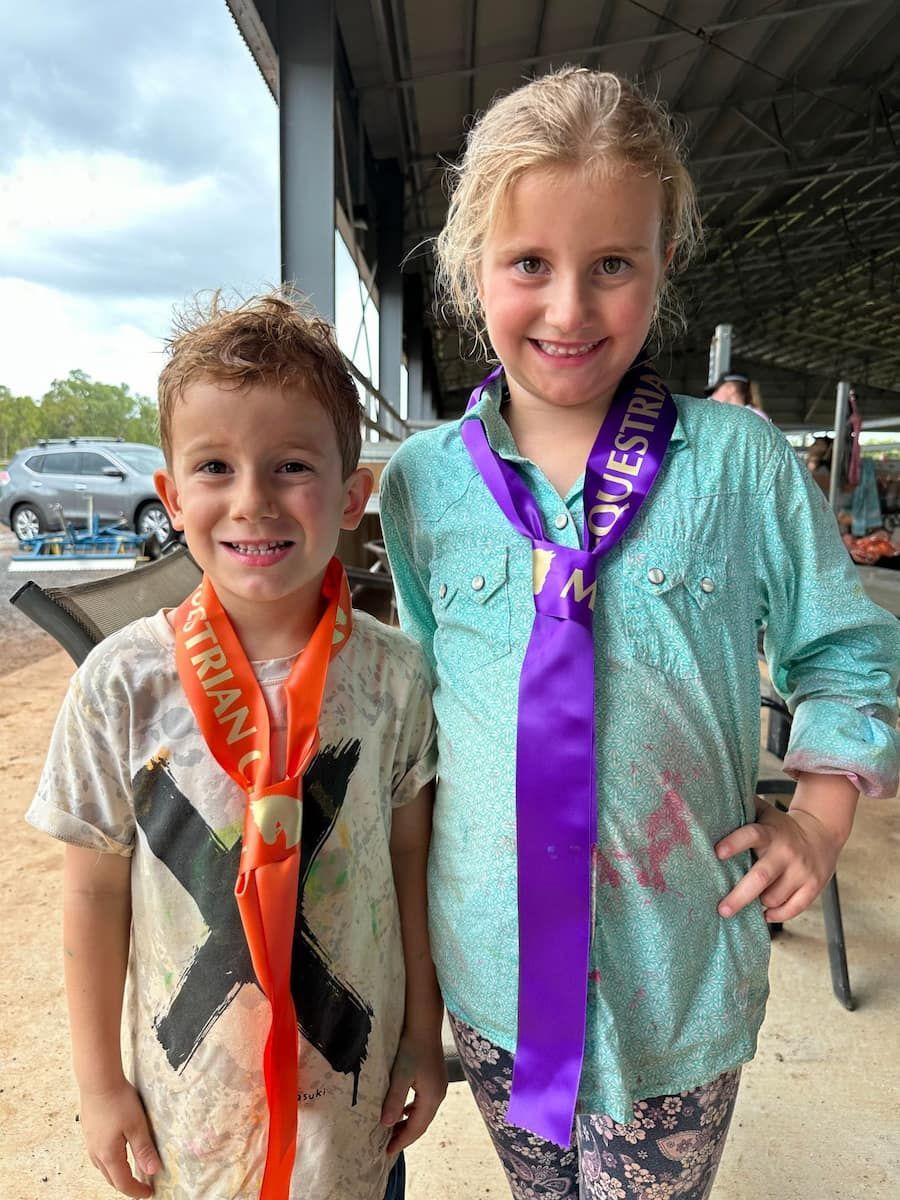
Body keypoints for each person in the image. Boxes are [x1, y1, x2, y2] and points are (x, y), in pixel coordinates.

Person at [379, 68, 900, 1199]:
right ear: (476, 273)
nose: (569, 310)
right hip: (493, 975)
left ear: (662, 267)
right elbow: (421, 704)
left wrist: (818, 817)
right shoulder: (421, 488)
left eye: (612, 264)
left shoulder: (741, 465)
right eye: (530, 265)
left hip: (675, 977)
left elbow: (845, 652)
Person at [26, 292, 446, 1200]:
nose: (252, 501)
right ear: (173, 497)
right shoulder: (120, 684)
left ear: (352, 495)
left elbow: (410, 863)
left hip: (355, 1109)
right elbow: (94, 895)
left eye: (292, 465)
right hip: (194, 1130)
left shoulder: (394, 679)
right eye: (215, 466)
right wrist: (101, 1085)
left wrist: (423, 1036)